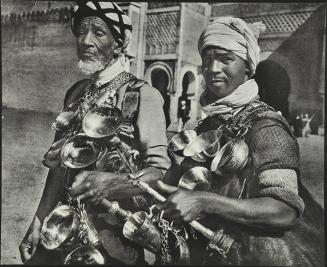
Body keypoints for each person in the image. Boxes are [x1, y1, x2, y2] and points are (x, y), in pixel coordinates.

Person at [155, 17, 324, 266]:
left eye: (225, 59)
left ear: (247, 67)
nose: (212, 68)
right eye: (208, 59)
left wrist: (205, 202)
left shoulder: (266, 126)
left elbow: (283, 210)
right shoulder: (209, 124)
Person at [19, 1, 170, 265]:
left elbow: (161, 174)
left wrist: (110, 184)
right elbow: (58, 169)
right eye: (81, 32)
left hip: (112, 241)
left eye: (98, 33)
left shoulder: (142, 95)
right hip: (64, 230)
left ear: (119, 43)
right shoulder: (76, 93)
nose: (86, 40)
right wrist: (37, 223)